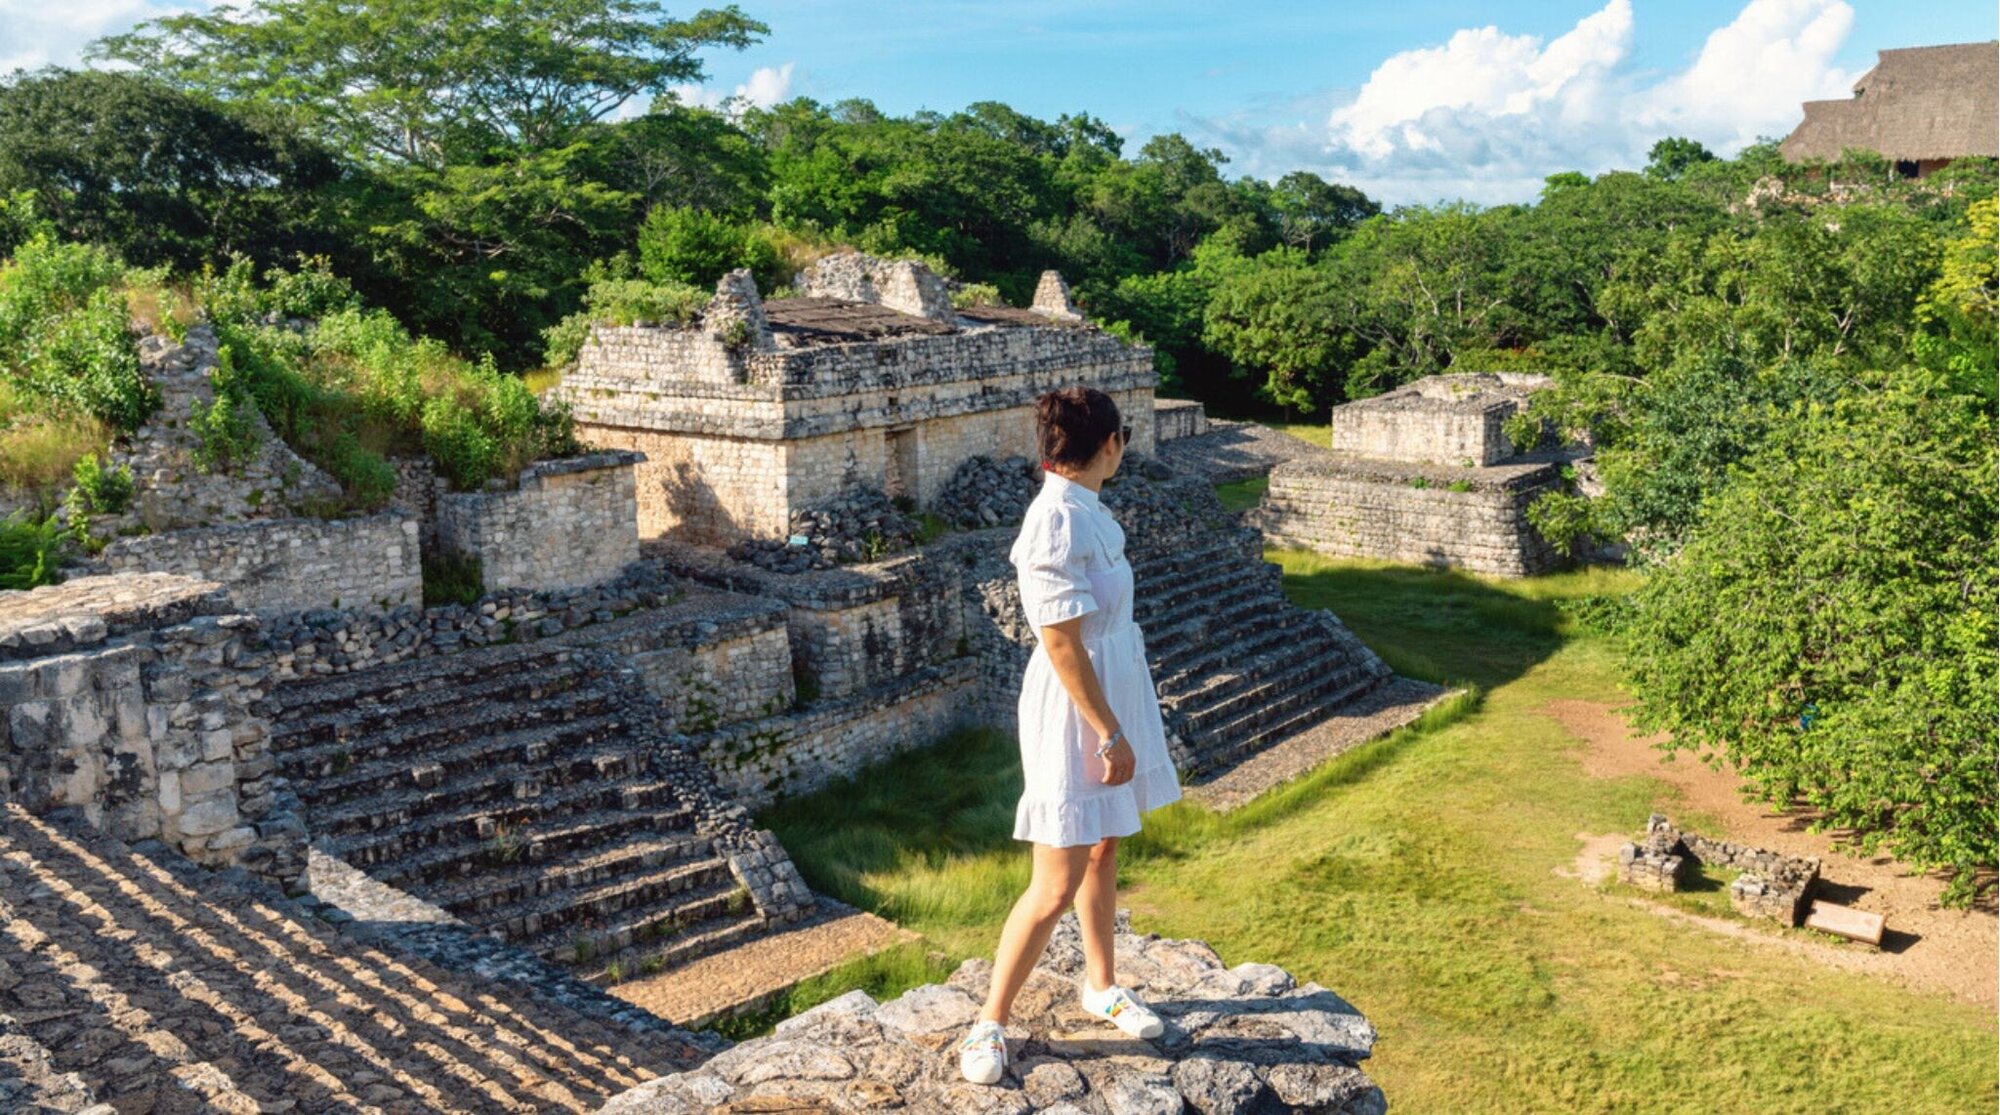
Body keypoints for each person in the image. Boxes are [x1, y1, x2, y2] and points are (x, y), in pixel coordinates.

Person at [958, 386, 1183, 1086]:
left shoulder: (1088, 508)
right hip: (1076, 706)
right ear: (1111, 444)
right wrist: (1109, 731)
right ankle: (989, 1020)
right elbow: (1059, 643)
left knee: (1105, 843)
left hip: (1111, 685)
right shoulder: (1055, 519)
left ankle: (1101, 984)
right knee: (1055, 879)